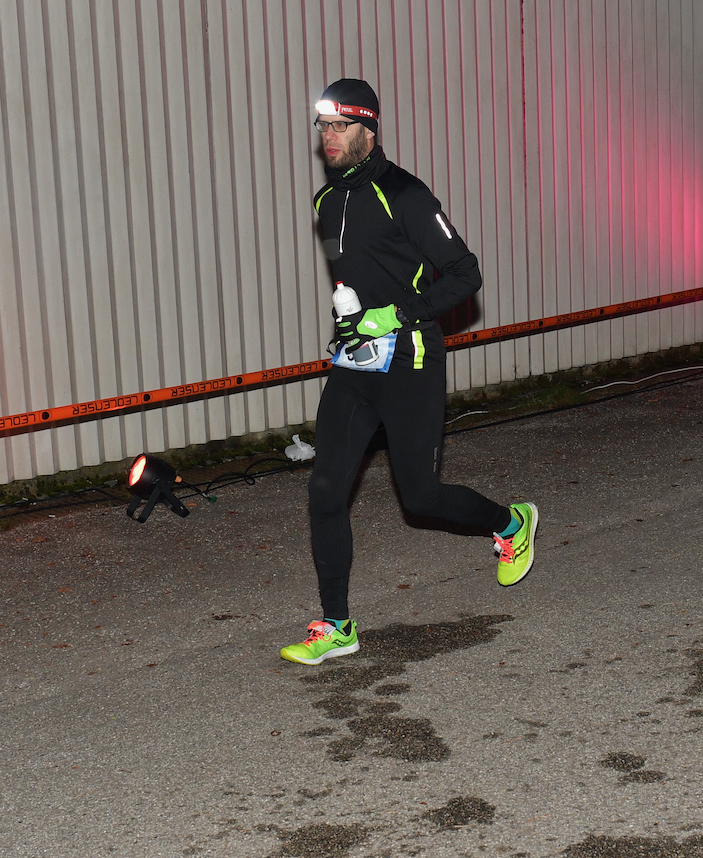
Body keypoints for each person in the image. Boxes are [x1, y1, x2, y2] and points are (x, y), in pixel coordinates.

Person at [281, 79, 539, 666]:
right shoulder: (325, 203)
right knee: (325, 490)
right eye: (323, 127)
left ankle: (509, 522)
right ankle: (337, 623)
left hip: (412, 359)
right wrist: (352, 319)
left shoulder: (406, 194)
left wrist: (393, 315)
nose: (329, 137)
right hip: (356, 365)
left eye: (341, 127)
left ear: (369, 131)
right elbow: (359, 281)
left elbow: (464, 275)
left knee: (419, 497)